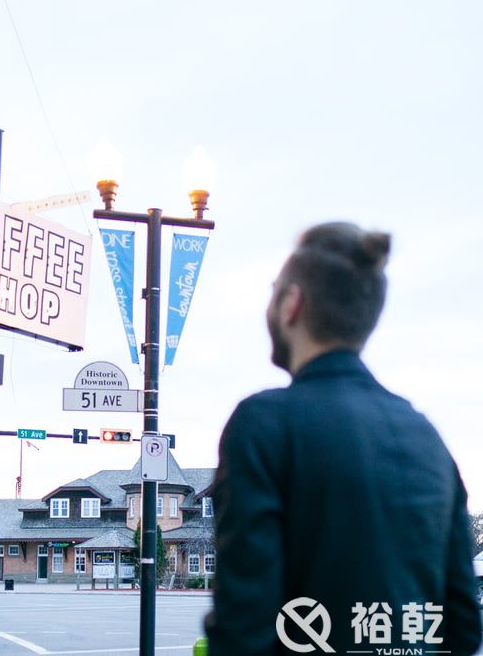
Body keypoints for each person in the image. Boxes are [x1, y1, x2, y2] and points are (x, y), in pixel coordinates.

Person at [204, 222, 482, 655]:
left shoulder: (264, 424)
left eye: (275, 290)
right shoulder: (427, 437)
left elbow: (245, 622)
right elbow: (463, 624)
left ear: (292, 304)